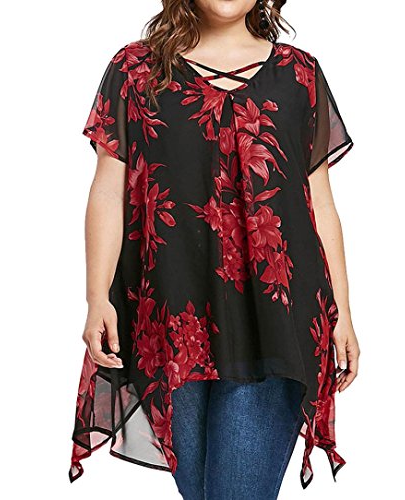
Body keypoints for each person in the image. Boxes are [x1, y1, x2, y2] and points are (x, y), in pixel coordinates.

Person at [68, 0, 360, 498]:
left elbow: (320, 203)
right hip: (171, 322)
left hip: (275, 320)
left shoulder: (299, 75)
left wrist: (343, 312)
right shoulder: (136, 71)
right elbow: (108, 191)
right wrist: (97, 297)